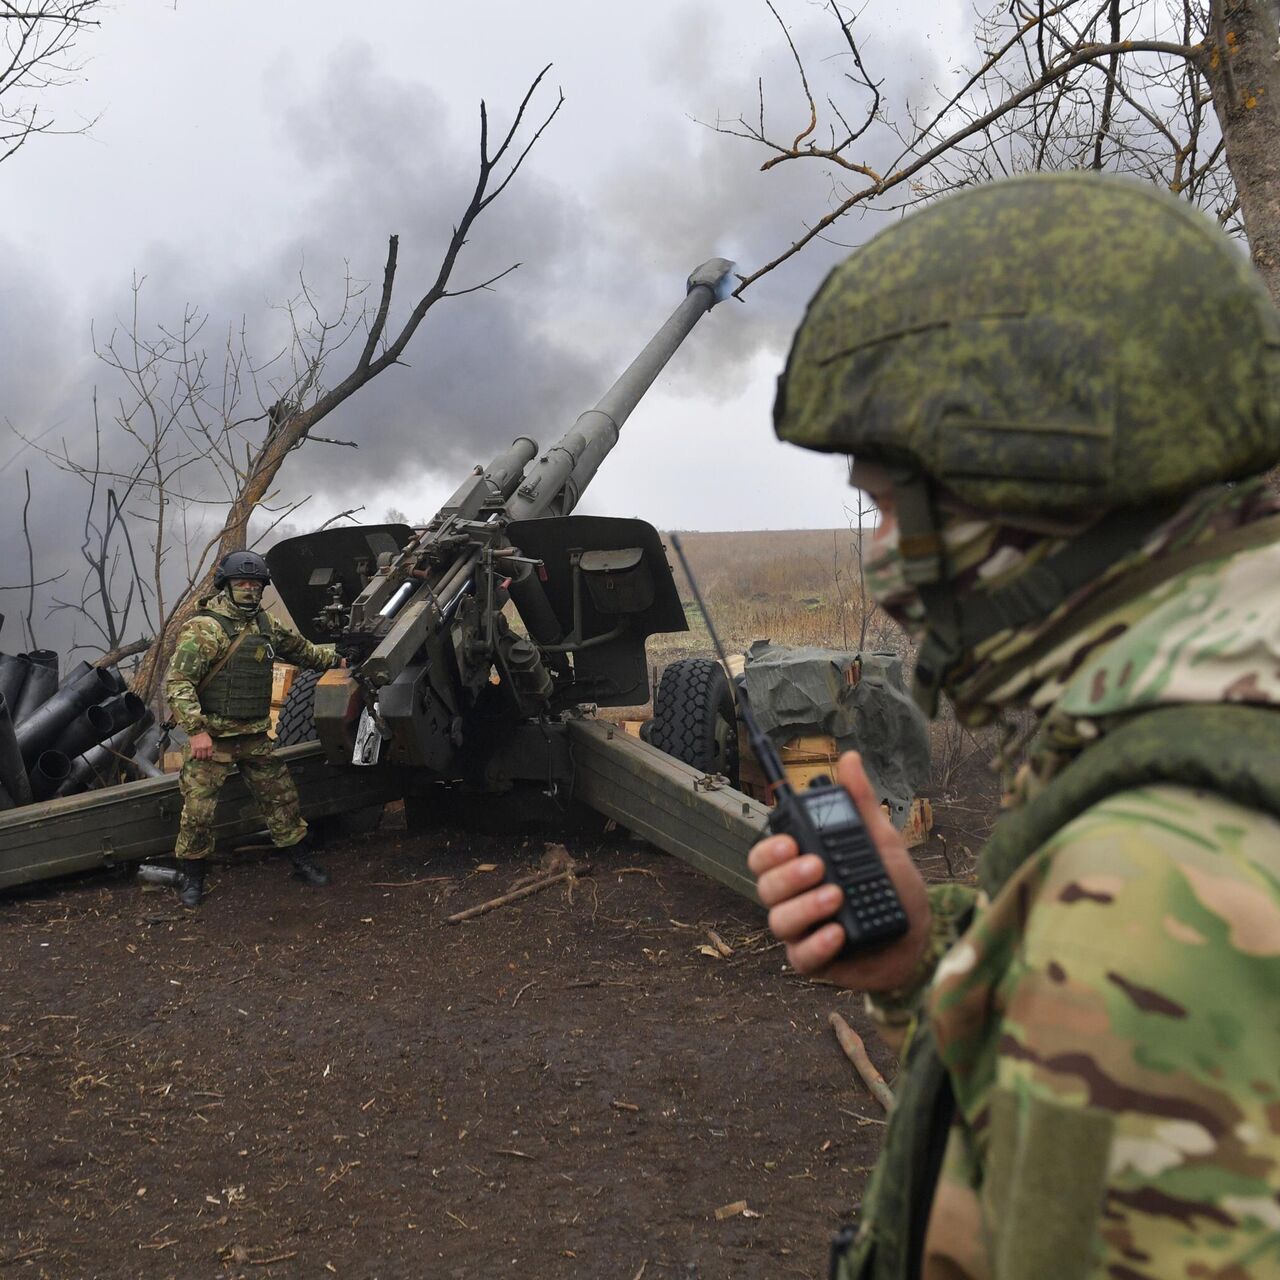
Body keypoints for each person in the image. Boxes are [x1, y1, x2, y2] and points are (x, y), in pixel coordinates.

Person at [748, 173, 1280, 1280]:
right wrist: (928, 961)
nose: (884, 562)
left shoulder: (1147, 884)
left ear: (1019, 484)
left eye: (893, 508)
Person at [164, 549, 344, 908]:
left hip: (254, 736)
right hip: (211, 740)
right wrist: (196, 730)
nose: (248, 589)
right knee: (198, 814)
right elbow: (178, 683)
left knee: (283, 800)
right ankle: (193, 877)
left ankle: (301, 862)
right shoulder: (205, 629)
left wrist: (339, 659)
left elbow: (303, 652)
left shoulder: (265, 625)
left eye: (254, 584)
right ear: (226, 586)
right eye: (240, 583)